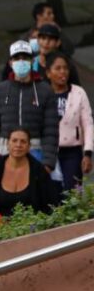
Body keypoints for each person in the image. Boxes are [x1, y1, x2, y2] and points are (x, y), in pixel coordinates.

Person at [0, 41, 59, 174]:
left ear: (32, 61)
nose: (21, 61)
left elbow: (51, 130)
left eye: (25, 58)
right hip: (4, 154)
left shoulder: (45, 91)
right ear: (10, 62)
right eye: (16, 58)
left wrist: (48, 163)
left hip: (36, 155)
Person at [0, 128, 60, 217]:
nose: (18, 145)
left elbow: (51, 204)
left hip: (31, 228)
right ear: (7, 144)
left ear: (29, 146)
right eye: (14, 140)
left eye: (23, 142)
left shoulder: (38, 171)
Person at [47, 52, 94, 191]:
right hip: (48, 152)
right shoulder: (42, 93)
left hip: (73, 152)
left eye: (65, 68)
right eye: (58, 68)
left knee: (73, 194)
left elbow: (88, 124)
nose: (63, 72)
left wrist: (87, 153)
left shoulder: (78, 93)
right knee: (52, 196)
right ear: (48, 73)